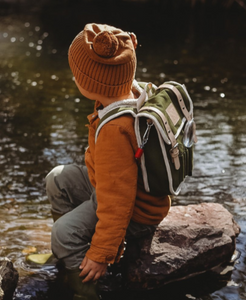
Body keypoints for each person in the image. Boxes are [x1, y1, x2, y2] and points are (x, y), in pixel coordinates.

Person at [45, 23, 171, 299]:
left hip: (135, 210)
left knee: (63, 234)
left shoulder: (115, 130)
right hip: (112, 188)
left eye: (76, 74)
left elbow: (117, 200)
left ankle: (84, 285)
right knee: (58, 178)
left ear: (89, 83)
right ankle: (73, 253)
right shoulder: (132, 91)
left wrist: (103, 252)